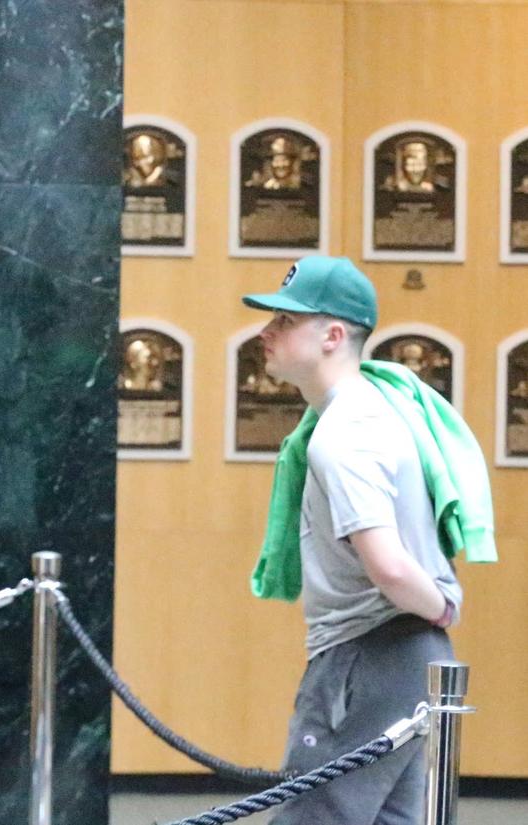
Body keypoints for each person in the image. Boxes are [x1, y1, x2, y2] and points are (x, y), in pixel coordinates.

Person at [242, 256, 472, 825]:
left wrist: (442, 606)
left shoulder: (343, 436)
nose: (265, 332)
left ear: (333, 336)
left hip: (369, 656)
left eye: (284, 321)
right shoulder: (377, 411)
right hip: (402, 655)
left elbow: (389, 567)